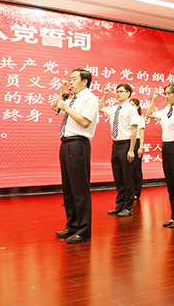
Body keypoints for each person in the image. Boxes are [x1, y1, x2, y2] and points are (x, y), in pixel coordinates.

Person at [52, 68, 99, 244]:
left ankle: (84, 230)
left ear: (84, 81)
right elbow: (55, 107)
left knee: (79, 189)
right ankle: (72, 225)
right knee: (69, 189)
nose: (70, 82)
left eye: (73, 79)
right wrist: (61, 92)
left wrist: (67, 108)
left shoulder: (90, 98)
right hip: (66, 143)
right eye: (70, 78)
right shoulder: (73, 98)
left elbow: (85, 122)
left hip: (78, 144)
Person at [147, 83, 174, 228]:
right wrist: (154, 98)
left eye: (169, 93)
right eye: (165, 93)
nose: (166, 96)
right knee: (171, 184)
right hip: (166, 147)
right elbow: (149, 114)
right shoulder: (166, 110)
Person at [99, 84, 139, 217]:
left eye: (121, 91)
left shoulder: (131, 109)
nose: (118, 94)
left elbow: (134, 130)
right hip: (115, 144)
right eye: (117, 92)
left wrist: (131, 150)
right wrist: (105, 94)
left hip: (126, 144)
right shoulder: (115, 108)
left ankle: (128, 207)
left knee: (127, 177)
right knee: (118, 176)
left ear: (128, 93)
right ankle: (120, 204)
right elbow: (99, 108)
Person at [130, 98, 146, 200]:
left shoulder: (140, 119)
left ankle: (137, 191)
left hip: (136, 143)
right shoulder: (127, 117)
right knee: (128, 169)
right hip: (128, 142)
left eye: (133, 105)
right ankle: (130, 191)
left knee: (136, 168)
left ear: (137, 107)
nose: (131, 107)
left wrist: (140, 147)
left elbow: (142, 134)